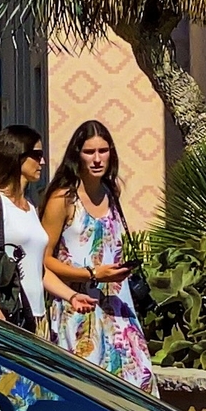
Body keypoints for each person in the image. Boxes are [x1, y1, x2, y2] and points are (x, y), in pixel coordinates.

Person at [41, 119, 157, 394]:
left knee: (136, 383)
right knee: (84, 389)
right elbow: (44, 259)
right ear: (76, 155)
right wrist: (92, 274)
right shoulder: (63, 198)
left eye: (103, 151)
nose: (96, 159)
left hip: (118, 308)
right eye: (89, 152)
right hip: (78, 307)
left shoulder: (111, 193)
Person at [0, 125, 51, 330]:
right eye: (37, 155)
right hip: (7, 312)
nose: (43, 162)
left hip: (36, 317)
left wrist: (72, 296)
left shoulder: (31, 205)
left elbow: (38, 269)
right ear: (17, 155)